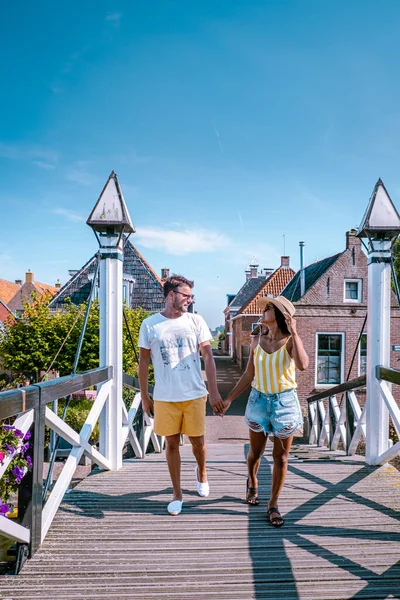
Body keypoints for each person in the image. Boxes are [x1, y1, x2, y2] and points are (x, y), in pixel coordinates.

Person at [138, 274, 224, 516]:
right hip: (165, 396)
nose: (190, 299)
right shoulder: (150, 324)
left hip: (195, 393)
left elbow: (208, 355)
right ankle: (177, 494)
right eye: (186, 295)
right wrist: (145, 396)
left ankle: (202, 471)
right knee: (172, 443)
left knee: (198, 442)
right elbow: (143, 363)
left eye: (191, 296)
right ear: (171, 295)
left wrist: (214, 392)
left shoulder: (196, 321)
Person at [223, 296, 308, 527]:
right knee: (256, 453)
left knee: (280, 457)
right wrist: (229, 398)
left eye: (268, 308)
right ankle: (252, 479)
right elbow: (249, 374)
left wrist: (296, 332)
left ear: (280, 316)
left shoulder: (290, 341)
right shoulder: (257, 340)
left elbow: (303, 365)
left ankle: (273, 504)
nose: (263, 311)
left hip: (284, 403)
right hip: (258, 401)